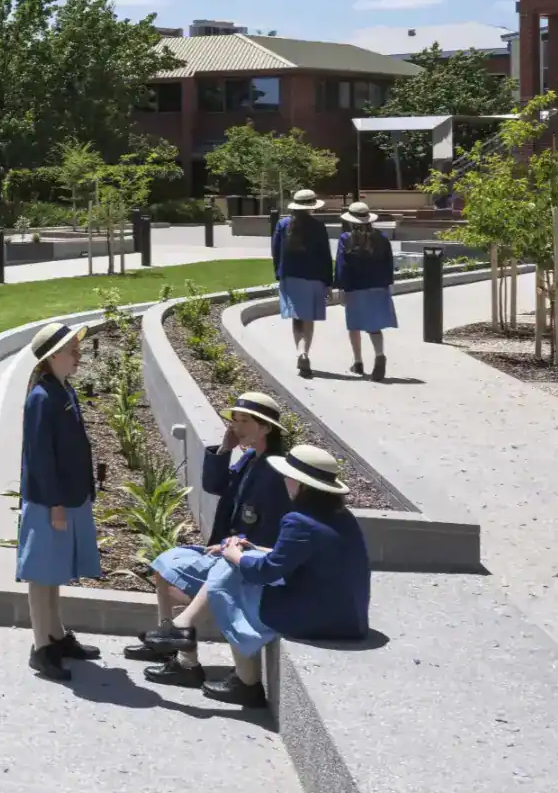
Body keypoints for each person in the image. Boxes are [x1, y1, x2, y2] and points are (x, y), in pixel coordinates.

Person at [140, 444, 370, 709]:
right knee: (234, 565)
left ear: (299, 483)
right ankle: (193, 637)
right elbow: (289, 555)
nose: (284, 481)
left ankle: (242, 680)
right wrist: (246, 548)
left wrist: (235, 556)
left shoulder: (299, 520)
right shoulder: (339, 517)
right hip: (346, 616)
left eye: (287, 476)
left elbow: (266, 572)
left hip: (320, 620)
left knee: (233, 583)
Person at [132, 390, 292, 686]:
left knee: (179, 574)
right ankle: (170, 647)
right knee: (164, 567)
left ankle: (184, 660)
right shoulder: (249, 459)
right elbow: (215, 485)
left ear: (266, 428)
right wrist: (223, 451)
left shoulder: (273, 471)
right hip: (224, 550)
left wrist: (232, 551)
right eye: (234, 420)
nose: (235, 427)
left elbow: (267, 531)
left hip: (243, 561)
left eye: (244, 421)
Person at [16, 320, 102, 680]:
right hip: (50, 500)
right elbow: (40, 458)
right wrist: (54, 504)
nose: (78, 356)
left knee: (55, 572)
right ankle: (42, 647)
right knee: (42, 573)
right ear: (53, 356)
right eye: (72, 351)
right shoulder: (41, 398)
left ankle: (57, 634)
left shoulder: (64, 390)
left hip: (69, 495)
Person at [272, 188, 334, 378]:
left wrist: (279, 274)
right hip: (314, 277)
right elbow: (325, 256)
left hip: (290, 276)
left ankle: (300, 352)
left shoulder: (283, 225)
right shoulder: (318, 227)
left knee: (296, 318)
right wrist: (329, 282)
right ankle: (305, 351)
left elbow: (275, 251)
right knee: (308, 319)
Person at [333, 202, 396, 381]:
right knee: (374, 326)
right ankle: (379, 354)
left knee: (354, 325)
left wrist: (340, 287)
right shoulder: (382, 238)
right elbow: (388, 263)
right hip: (378, 286)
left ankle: (358, 361)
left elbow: (341, 265)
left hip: (355, 286)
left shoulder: (346, 239)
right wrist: (388, 283)